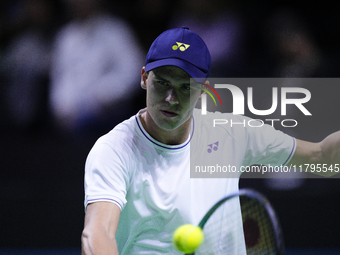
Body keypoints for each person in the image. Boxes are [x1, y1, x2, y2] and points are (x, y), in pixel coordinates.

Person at [81, 27, 340, 254]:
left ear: (204, 91)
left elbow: (323, 158)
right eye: (162, 83)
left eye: (186, 87)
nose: (171, 98)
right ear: (144, 78)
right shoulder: (114, 149)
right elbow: (97, 233)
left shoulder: (232, 133)